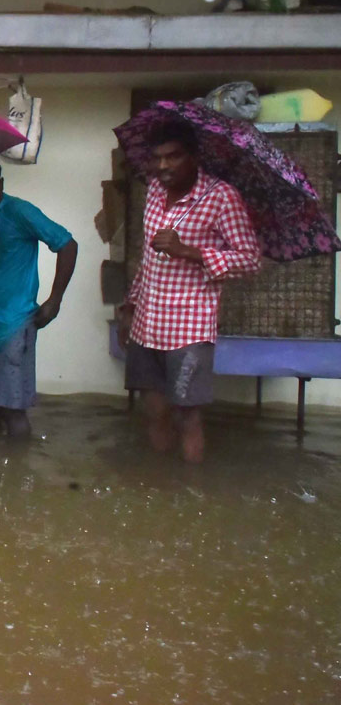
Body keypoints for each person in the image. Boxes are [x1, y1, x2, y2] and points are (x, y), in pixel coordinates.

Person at [117, 120, 260, 463]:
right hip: (146, 323)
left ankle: (190, 491)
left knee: (187, 415)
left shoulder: (222, 197)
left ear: (194, 157)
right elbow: (149, 258)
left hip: (189, 327)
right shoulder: (153, 189)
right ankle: (163, 492)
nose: (163, 166)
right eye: (157, 158)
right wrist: (129, 306)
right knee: (154, 411)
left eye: (173, 157)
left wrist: (190, 251)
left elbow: (250, 260)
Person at [0, 157, 78, 438]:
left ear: (1, 184)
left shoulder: (19, 212)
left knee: (14, 408)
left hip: (15, 322)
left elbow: (67, 244)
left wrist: (55, 300)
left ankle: (19, 474)